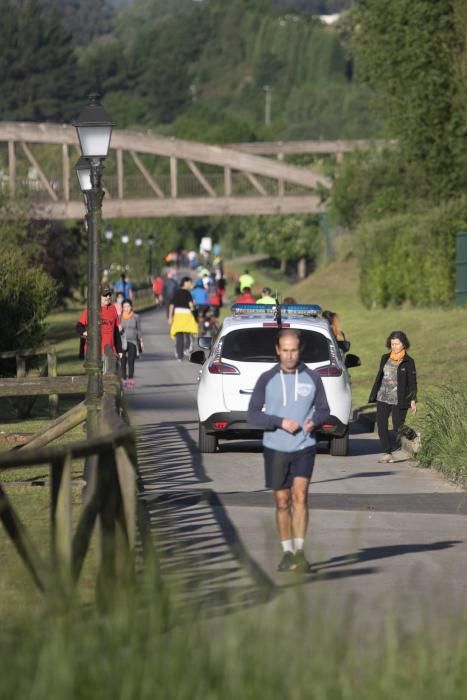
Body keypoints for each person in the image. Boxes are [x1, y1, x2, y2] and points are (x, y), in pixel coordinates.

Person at [247, 329, 330, 573]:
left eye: (293, 350)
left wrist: (313, 421)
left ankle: (300, 551)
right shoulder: (267, 378)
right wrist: (279, 422)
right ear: (277, 350)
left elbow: (324, 409)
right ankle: (287, 552)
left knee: (300, 496)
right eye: (285, 350)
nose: (289, 355)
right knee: (282, 502)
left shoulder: (312, 378)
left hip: (304, 445)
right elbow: (253, 414)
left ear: (299, 349)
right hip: (275, 447)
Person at [368, 330, 417, 463]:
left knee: (398, 426)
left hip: (399, 398)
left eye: (396, 344)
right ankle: (387, 453)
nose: (394, 347)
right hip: (383, 396)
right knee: (382, 425)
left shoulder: (409, 362)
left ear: (404, 344)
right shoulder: (385, 358)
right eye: (392, 344)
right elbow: (381, 376)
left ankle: (414, 436)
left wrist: (413, 400)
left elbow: (412, 382)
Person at [76, 284, 122, 359]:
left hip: (110, 351)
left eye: (109, 294)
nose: (108, 297)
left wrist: (119, 350)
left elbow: (116, 331)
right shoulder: (91, 310)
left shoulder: (113, 308)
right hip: (93, 352)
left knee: (110, 370)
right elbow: (79, 327)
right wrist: (87, 333)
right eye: (105, 295)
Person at [168, 276, 198, 361]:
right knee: (188, 333)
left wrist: (170, 317)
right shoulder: (188, 293)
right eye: (189, 282)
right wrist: (194, 311)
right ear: (185, 282)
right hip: (186, 315)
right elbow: (191, 305)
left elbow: (171, 305)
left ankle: (179, 356)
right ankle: (186, 349)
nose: (190, 284)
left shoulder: (176, 292)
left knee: (179, 336)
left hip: (177, 315)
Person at [120, 298, 143, 387]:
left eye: (128, 306)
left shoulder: (136, 317)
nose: (126, 308)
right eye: (124, 306)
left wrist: (141, 340)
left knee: (131, 361)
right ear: (122, 307)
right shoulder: (119, 317)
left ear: (131, 307)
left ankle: (130, 379)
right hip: (122, 341)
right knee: (123, 361)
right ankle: (124, 379)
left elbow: (139, 330)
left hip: (133, 341)